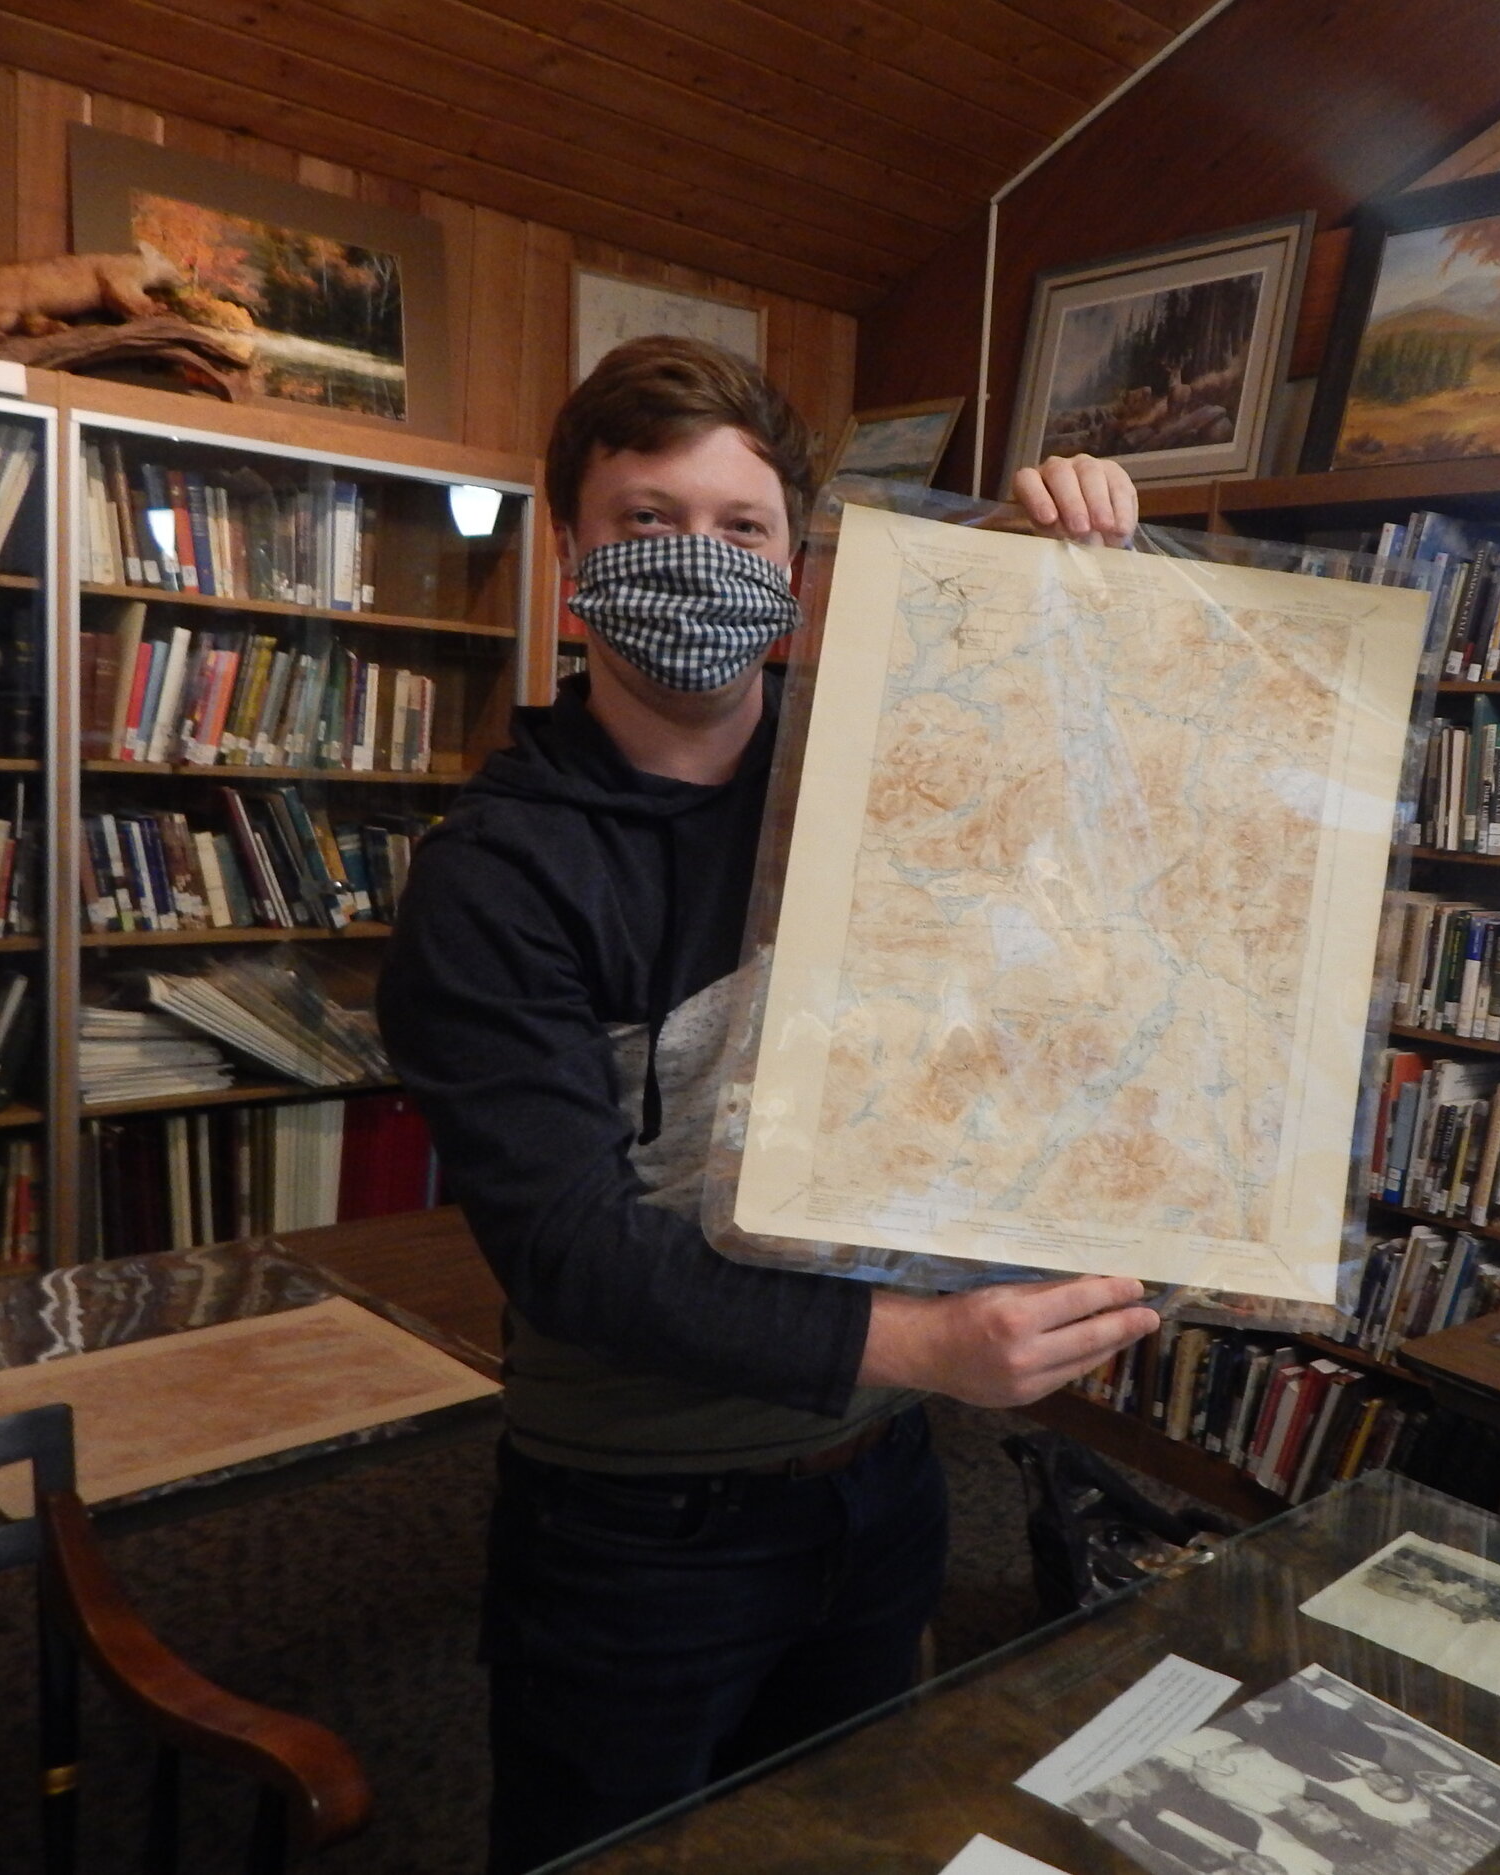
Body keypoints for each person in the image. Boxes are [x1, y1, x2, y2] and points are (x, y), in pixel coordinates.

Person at [374, 335, 1159, 1872]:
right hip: (636, 1527)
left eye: (740, 529)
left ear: (797, 560)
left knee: (846, 1840)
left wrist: (1037, 562)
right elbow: (573, 1256)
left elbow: (1088, 827)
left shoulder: (874, 772)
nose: (696, 559)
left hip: (882, 1483)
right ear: (571, 548)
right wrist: (929, 1344)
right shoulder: (496, 878)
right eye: (646, 519)